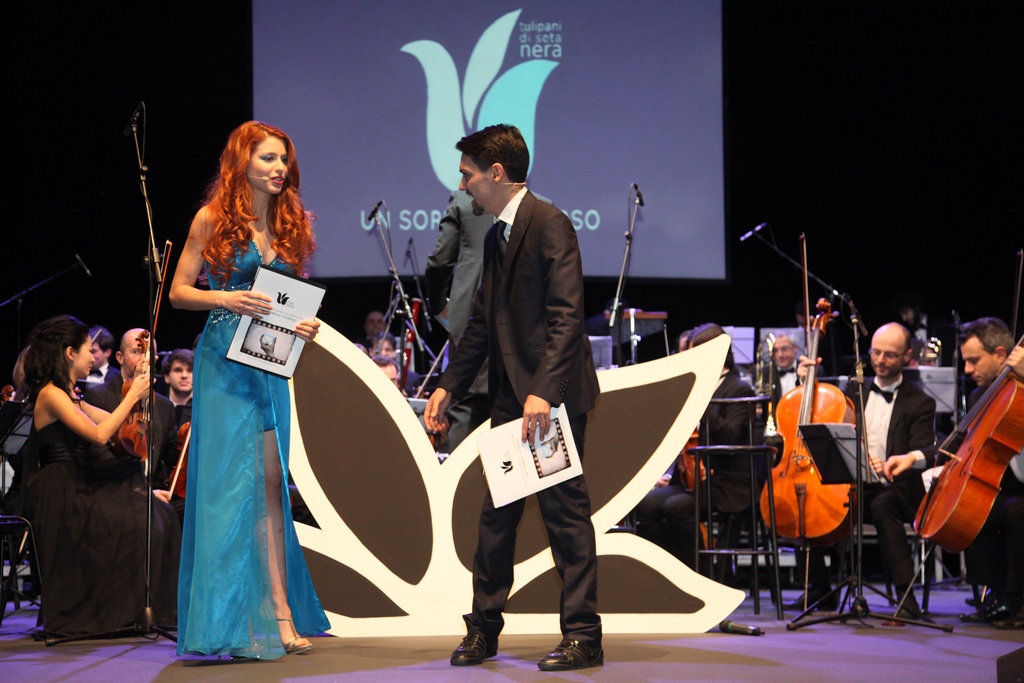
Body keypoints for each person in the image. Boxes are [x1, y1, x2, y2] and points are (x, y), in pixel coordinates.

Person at [424, 124, 602, 671]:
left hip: (551, 400)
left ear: (496, 173)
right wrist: (449, 385)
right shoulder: (497, 235)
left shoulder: (549, 224)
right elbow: (482, 322)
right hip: (511, 401)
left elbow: (567, 318)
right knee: (496, 519)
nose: (463, 186)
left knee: (565, 516)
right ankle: (483, 631)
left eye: (468, 175)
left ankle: (584, 636)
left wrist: (543, 393)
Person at [169, 120, 329, 659]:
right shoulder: (211, 218)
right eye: (268, 158)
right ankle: (229, 622)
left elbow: (285, 297)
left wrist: (301, 323)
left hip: (268, 361)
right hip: (223, 364)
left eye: (283, 159)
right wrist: (226, 299)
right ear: (243, 162)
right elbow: (179, 292)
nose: (279, 168)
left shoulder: (288, 223)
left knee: (271, 485)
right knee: (230, 488)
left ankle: (280, 610)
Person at [19, 315, 180, 637]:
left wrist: (137, 398)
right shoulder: (51, 394)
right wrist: (131, 396)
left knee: (157, 513)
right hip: (61, 489)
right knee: (137, 520)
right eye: (87, 350)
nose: (93, 357)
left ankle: (140, 610)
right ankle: (115, 613)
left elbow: (113, 424)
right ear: (69, 353)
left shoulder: (70, 394)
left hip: (78, 482)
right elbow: (98, 435)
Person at [791, 323, 937, 618]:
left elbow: (924, 450)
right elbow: (822, 413)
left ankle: (906, 599)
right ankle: (819, 590)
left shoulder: (920, 402)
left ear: (907, 356)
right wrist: (806, 382)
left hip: (896, 490)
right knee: (810, 499)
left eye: (890, 355)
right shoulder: (854, 390)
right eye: (876, 352)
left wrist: (897, 461)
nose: (880, 360)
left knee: (884, 506)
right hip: (856, 486)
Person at [888, 318, 1022, 624]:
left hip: (1020, 489)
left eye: (974, 361)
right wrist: (914, 457)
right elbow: (958, 442)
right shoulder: (980, 395)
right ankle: (993, 595)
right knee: (974, 507)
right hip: (1001, 483)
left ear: (1001, 354)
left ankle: (1015, 600)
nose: (967, 370)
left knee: (1015, 511)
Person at [634, 323, 755, 571]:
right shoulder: (700, 386)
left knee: (676, 507)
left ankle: (701, 574)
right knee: (644, 506)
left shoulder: (739, 389)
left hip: (728, 483)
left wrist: (701, 402)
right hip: (694, 480)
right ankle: (670, 570)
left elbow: (731, 436)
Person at [425, 190, 493, 452]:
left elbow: (440, 262)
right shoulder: (543, 206)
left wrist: (439, 306)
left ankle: (462, 478)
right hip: (518, 330)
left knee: (465, 403)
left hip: (471, 316)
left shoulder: (464, 202)